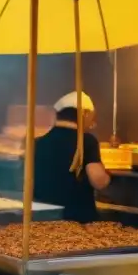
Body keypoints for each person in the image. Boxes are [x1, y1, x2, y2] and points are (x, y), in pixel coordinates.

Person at [33, 91, 111, 223]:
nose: (93, 122)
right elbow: (99, 181)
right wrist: (107, 176)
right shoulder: (85, 141)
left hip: (43, 220)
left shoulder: (38, 142)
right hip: (78, 221)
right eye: (92, 117)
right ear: (84, 114)